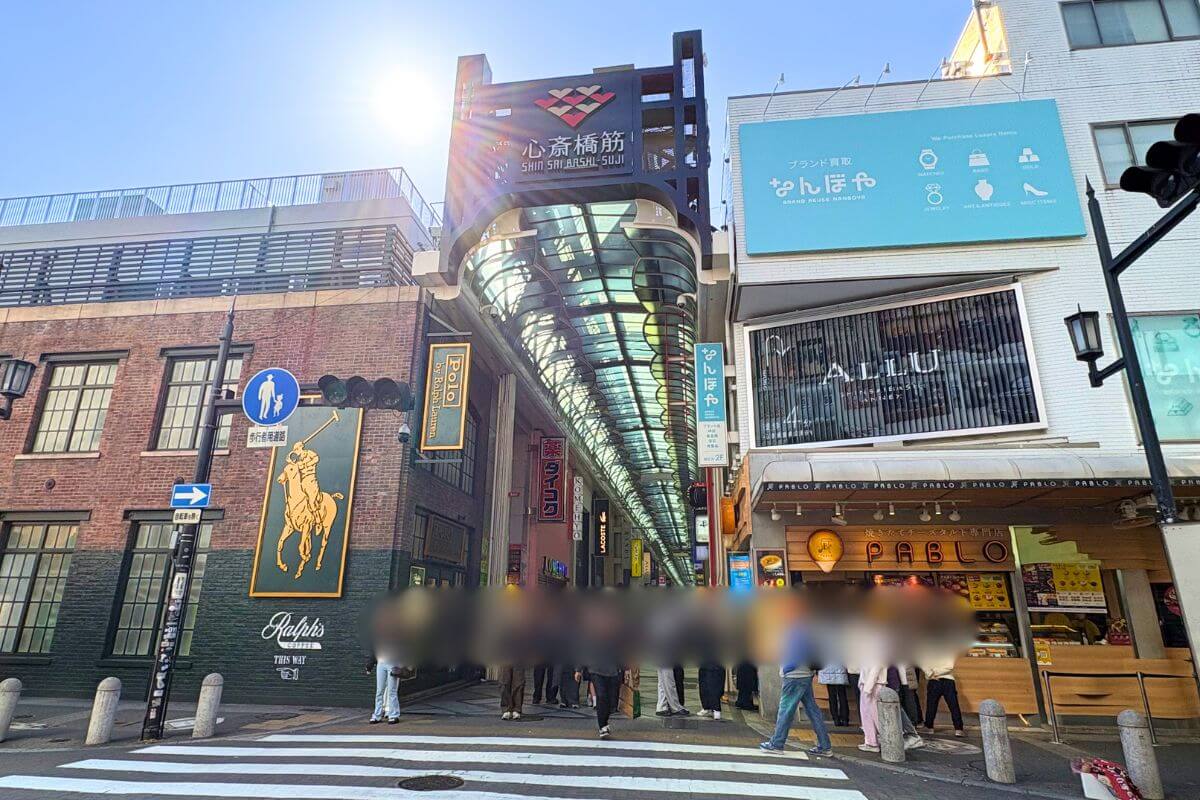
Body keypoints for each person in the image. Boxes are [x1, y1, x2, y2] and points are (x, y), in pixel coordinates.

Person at [760, 614, 832, 757]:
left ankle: (777, 744)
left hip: (794, 676)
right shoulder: (808, 629)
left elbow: (797, 655)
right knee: (812, 710)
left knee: (785, 710)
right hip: (805, 674)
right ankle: (825, 745)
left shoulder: (796, 631)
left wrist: (786, 668)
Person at [576, 662, 623, 739]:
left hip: (613, 670)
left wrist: (626, 669)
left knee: (611, 701)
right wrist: (578, 670)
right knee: (601, 696)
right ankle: (602, 726)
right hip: (595, 669)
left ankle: (605, 721)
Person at [922, 655, 965, 736]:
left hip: (936, 680)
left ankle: (929, 727)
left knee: (935, 705)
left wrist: (932, 674)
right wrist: (933, 674)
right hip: (945, 680)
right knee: (951, 705)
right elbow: (949, 666)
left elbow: (924, 664)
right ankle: (958, 729)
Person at [365, 649, 401, 725]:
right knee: (379, 691)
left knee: (392, 691)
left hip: (393, 662)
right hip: (381, 662)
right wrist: (370, 664)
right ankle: (377, 715)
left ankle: (394, 715)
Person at [818, 662, 850, 728]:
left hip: (827, 672)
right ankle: (845, 719)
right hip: (840, 670)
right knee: (842, 695)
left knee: (832, 696)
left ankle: (836, 719)